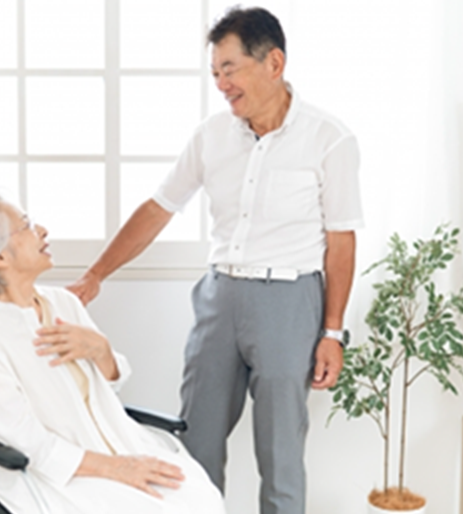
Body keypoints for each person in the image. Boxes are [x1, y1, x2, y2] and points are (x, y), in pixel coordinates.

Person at [68, 7, 363, 514]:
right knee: (194, 443)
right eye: (215, 72)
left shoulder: (328, 138)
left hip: (290, 301)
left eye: (230, 69)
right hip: (219, 297)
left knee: (281, 454)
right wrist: (96, 274)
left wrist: (332, 332)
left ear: (274, 63)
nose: (222, 84)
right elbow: (158, 208)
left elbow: (342, 239)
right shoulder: (211, 135)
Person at [0, 195, 226, 514]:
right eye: (27, 226)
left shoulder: (63, 304)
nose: (42, 230)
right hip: (48, 474)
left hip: (111, 444)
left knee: (200, 498)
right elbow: (23, 439)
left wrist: (101, 351)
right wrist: (116, 468)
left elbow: (110, 385)